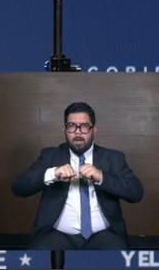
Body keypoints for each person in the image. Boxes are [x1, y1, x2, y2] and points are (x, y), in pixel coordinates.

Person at [11, 102, 144, 249]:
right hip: (57, 235)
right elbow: (19, 188)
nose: (78, 132)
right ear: (64, 129)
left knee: (116, 254)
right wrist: (52, 173)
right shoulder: (49, 156)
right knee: (40, 256)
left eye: (85, 126)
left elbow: (136, 193)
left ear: (94, 130)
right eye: (71, 126)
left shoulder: (113, 158)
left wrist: (102, 176)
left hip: (103, 235)